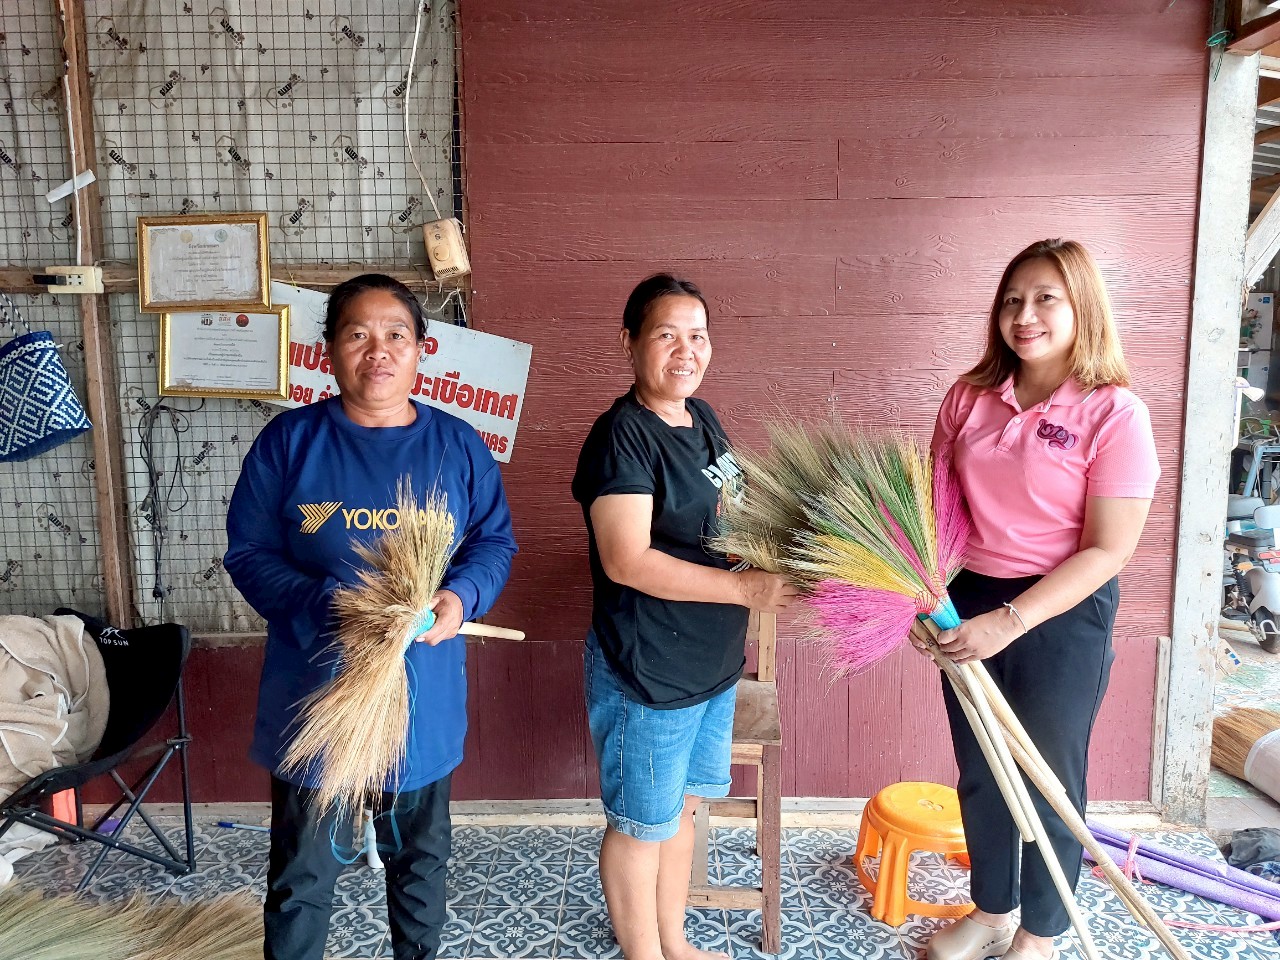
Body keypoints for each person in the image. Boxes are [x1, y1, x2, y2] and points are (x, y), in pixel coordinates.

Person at [224, 274, 517, 960]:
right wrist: (324, 600)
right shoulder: (289, 443)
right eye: (357, 334)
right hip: (318, 697)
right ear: (329, 349)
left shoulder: (458, 446)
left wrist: (459, 597)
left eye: (395, 335)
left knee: (420, 868)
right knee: (302, 877)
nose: (377, 351)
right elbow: (249, 554)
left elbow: (493, 543)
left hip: (421, 698)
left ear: (422, 349)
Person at [922, 240, 1159, 960]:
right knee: (982, 766)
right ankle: (993, 911)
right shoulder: (968, 397)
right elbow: (930, 511)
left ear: (1082, 306)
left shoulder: (1115, 413)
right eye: (1012, 300)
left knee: (1047, 774)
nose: (1025, 315)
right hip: (967, 598)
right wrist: (920, 597)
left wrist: (1012, 620)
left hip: (1060, 609)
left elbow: (1108, 549)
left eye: (1046, 298)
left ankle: (1041, 932)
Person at [571, 274, 798, 960]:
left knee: (684, 810)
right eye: (666, 335)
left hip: (711, 663)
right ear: (630, 342)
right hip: (649, 672)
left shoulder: (702, 420)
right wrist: (745, 590)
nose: (685, 351)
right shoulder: (622, 437)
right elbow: (627, 560)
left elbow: (733, 516)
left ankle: (674, 942)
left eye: (697, 336)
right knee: (642, 826)